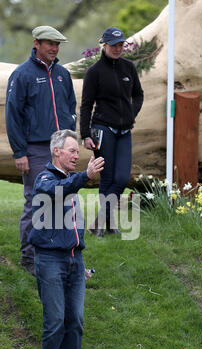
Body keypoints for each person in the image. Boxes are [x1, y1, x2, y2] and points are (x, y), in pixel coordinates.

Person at [28, 129, 104, 349]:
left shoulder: (70, 181)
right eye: (72, 151)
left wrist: (78, 259)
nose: (77, 155)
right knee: (55, 320)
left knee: (76, 320)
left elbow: (73, 226)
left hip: (74, 260)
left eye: (78, 151)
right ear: (56, 152)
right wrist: (86, 176)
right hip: (50, 260)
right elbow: (56, 192)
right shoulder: (45, 180)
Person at [5, 26, 77, 275]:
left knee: (65, 200)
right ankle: (29, 257)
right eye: (49, 44)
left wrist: (71, 143)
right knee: (36, 201)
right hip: (35, 150)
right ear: (36, 43)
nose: (54, 49)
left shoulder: (63, 75)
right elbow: (12, 116)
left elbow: (70, 108)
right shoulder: (21, 75)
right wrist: (19, 152)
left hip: (61, 149)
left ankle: (62, 254)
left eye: (57, 45)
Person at [80, 27, 144, 237]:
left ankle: (99, 221)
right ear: (104, 45)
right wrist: (85, 134)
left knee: (122, 178)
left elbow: (138, 95)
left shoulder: (129, 68)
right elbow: (86, 105)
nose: (118, 49)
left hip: (125, 131)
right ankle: (108, 225)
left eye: (120, 45)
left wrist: (130, 115)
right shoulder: (94, 72)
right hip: (102, 129)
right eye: (113, 45)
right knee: (107, 179)